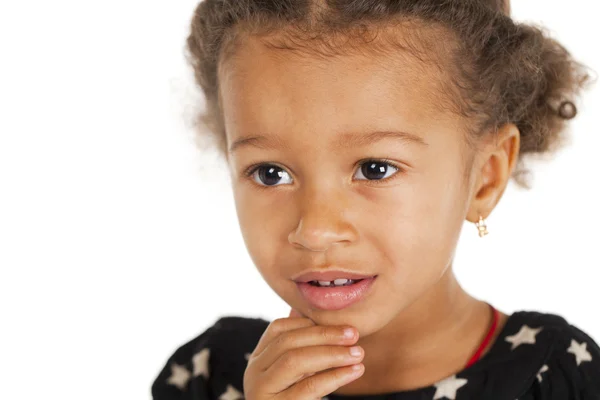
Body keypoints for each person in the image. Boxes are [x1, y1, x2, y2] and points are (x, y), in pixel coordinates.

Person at [152, 0, 599, 398]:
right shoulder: (209, 376)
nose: (315, 230)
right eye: (271, 173)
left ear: (484, 177)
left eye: (374, 169)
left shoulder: (555, 378)